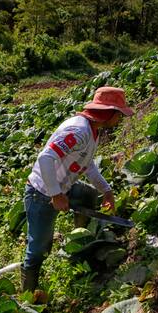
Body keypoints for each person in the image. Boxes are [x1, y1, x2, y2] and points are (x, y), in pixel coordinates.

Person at [21, 86, 135, 292]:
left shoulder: (93, 131)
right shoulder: (79, 131)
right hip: (41, 193)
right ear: (108, 113)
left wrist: (106, 191)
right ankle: (28, 293)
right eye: (118, 115)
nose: (119, 120)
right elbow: (46, 158)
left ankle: (80, 244)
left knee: (88, 195)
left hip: (63, 187)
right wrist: (56, 195)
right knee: (39, 249)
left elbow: (88, 165)